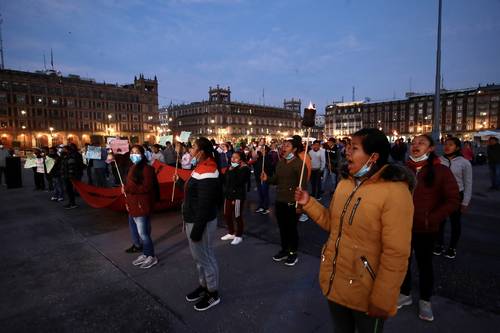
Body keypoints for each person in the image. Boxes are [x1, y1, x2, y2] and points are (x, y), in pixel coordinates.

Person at [295, 128, 415, 333]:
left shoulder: (396, 193)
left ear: (373, 157)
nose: (347, 152)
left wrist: (384, 298)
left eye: (354, 148)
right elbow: (332, 224)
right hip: (336, 281)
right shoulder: (344, 184)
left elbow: (396, 253)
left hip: (367, 291)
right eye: (348, 147)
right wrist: (309, 203)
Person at [399, 134, 459, 322]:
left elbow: (453, 200)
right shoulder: (402, 170)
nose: (416, 145)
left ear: (431, 148)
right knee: (403, 262)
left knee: (425, 265)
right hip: (402, 227)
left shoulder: (441, 171)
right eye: (414, 143)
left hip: (426, 229)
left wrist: (432, 218)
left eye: (422, 143)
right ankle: (404, 293)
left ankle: (425, 300)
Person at [176, 137, 222, 311]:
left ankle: (213, 293)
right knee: (199, 258)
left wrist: (197, 229)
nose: (190, 150)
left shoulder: (208, 171)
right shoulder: (201, 167)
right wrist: (180, 183)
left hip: (200, 222)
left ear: (202, 152)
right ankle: (204, 286)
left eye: (193, 147)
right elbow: (193, 194)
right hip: (193, 219)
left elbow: (205, 204)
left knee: (206, 257)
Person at [261, 139, 307, 267]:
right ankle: (284, 249)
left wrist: (300, 206)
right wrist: (267, 179)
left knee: (291, 228)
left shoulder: (299, 165)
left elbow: (302, 186)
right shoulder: (281, 163)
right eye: (283, 145)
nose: (284, 147)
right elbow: (276, 179)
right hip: (280, 200)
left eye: (287, 146)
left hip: (292, 202)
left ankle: (293, 252)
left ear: (294, 149)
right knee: (282, 227)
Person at [434, 137, 473, 259]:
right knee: (440, 222)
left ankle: (452, 247)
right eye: (445, 144)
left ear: (457, 147)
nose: (447, 146)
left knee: (455, 222)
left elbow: (468, 183)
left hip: (457, 195)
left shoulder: (464, 162)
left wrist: (465, 201)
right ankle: (439, 244)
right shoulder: (439, 160)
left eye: (450, 144)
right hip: (440, 195)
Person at [123, 145, 158, 269]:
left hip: (142, 205)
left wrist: (128, 188)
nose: (134, 155)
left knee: (144, 233)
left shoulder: (147, 169)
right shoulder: (132, 167)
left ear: (142, 154)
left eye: (136, 152)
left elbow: (146, 187)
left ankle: (151, 256)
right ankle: (145, 254)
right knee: (139, 231)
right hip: (132, 204)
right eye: (132, 152)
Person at [221, 151, 251, 245]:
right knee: (227, 214)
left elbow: (238, 181)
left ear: (241, 159)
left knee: (237, 216)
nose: (233, 159)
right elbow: (225, 179)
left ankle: (238, 235)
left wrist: (232, 170)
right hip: (228, 195)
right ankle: (231, 232)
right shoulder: (231, 167)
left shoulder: (244, 168)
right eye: (232, 157)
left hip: (238, 196)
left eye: (236, 157)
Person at [61, 143, 84, 209]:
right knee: (69, 190)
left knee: (70, 190)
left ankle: (72, 203)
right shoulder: (66, 156)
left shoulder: (71, 156)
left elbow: (71, 167)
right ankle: (71, 202)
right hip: (67, 175)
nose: (62, 150)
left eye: (64, 149)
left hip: (70, 175)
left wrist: (70, 176)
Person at [252, 145, 274, 215]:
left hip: (264, 179)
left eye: (262, 149)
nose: (260, 150)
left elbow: (270, 169)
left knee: (265, 193)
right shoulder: (259, 157)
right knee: (260, 193)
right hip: (258, 179)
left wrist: (267, 176)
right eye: (260, 149)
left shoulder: (267, 158)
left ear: (265, 150)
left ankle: (266, 207)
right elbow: (254, 161)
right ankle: (261, 206)